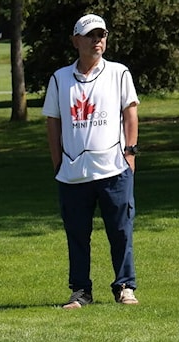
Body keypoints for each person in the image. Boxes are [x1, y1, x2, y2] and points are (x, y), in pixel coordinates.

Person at [42, 14, 140, 309]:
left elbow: (130, 113)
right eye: (90, 35)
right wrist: (58, 161)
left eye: (101, 35)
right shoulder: (60, 79)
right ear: (76, 41)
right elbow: (53, 121)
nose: (97, 40)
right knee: (77, 234)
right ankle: (81, 291)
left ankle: (125, 286)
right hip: (73, 173)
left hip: (114, 169)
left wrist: (130, 155)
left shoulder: (119, 73)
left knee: (121, 231)